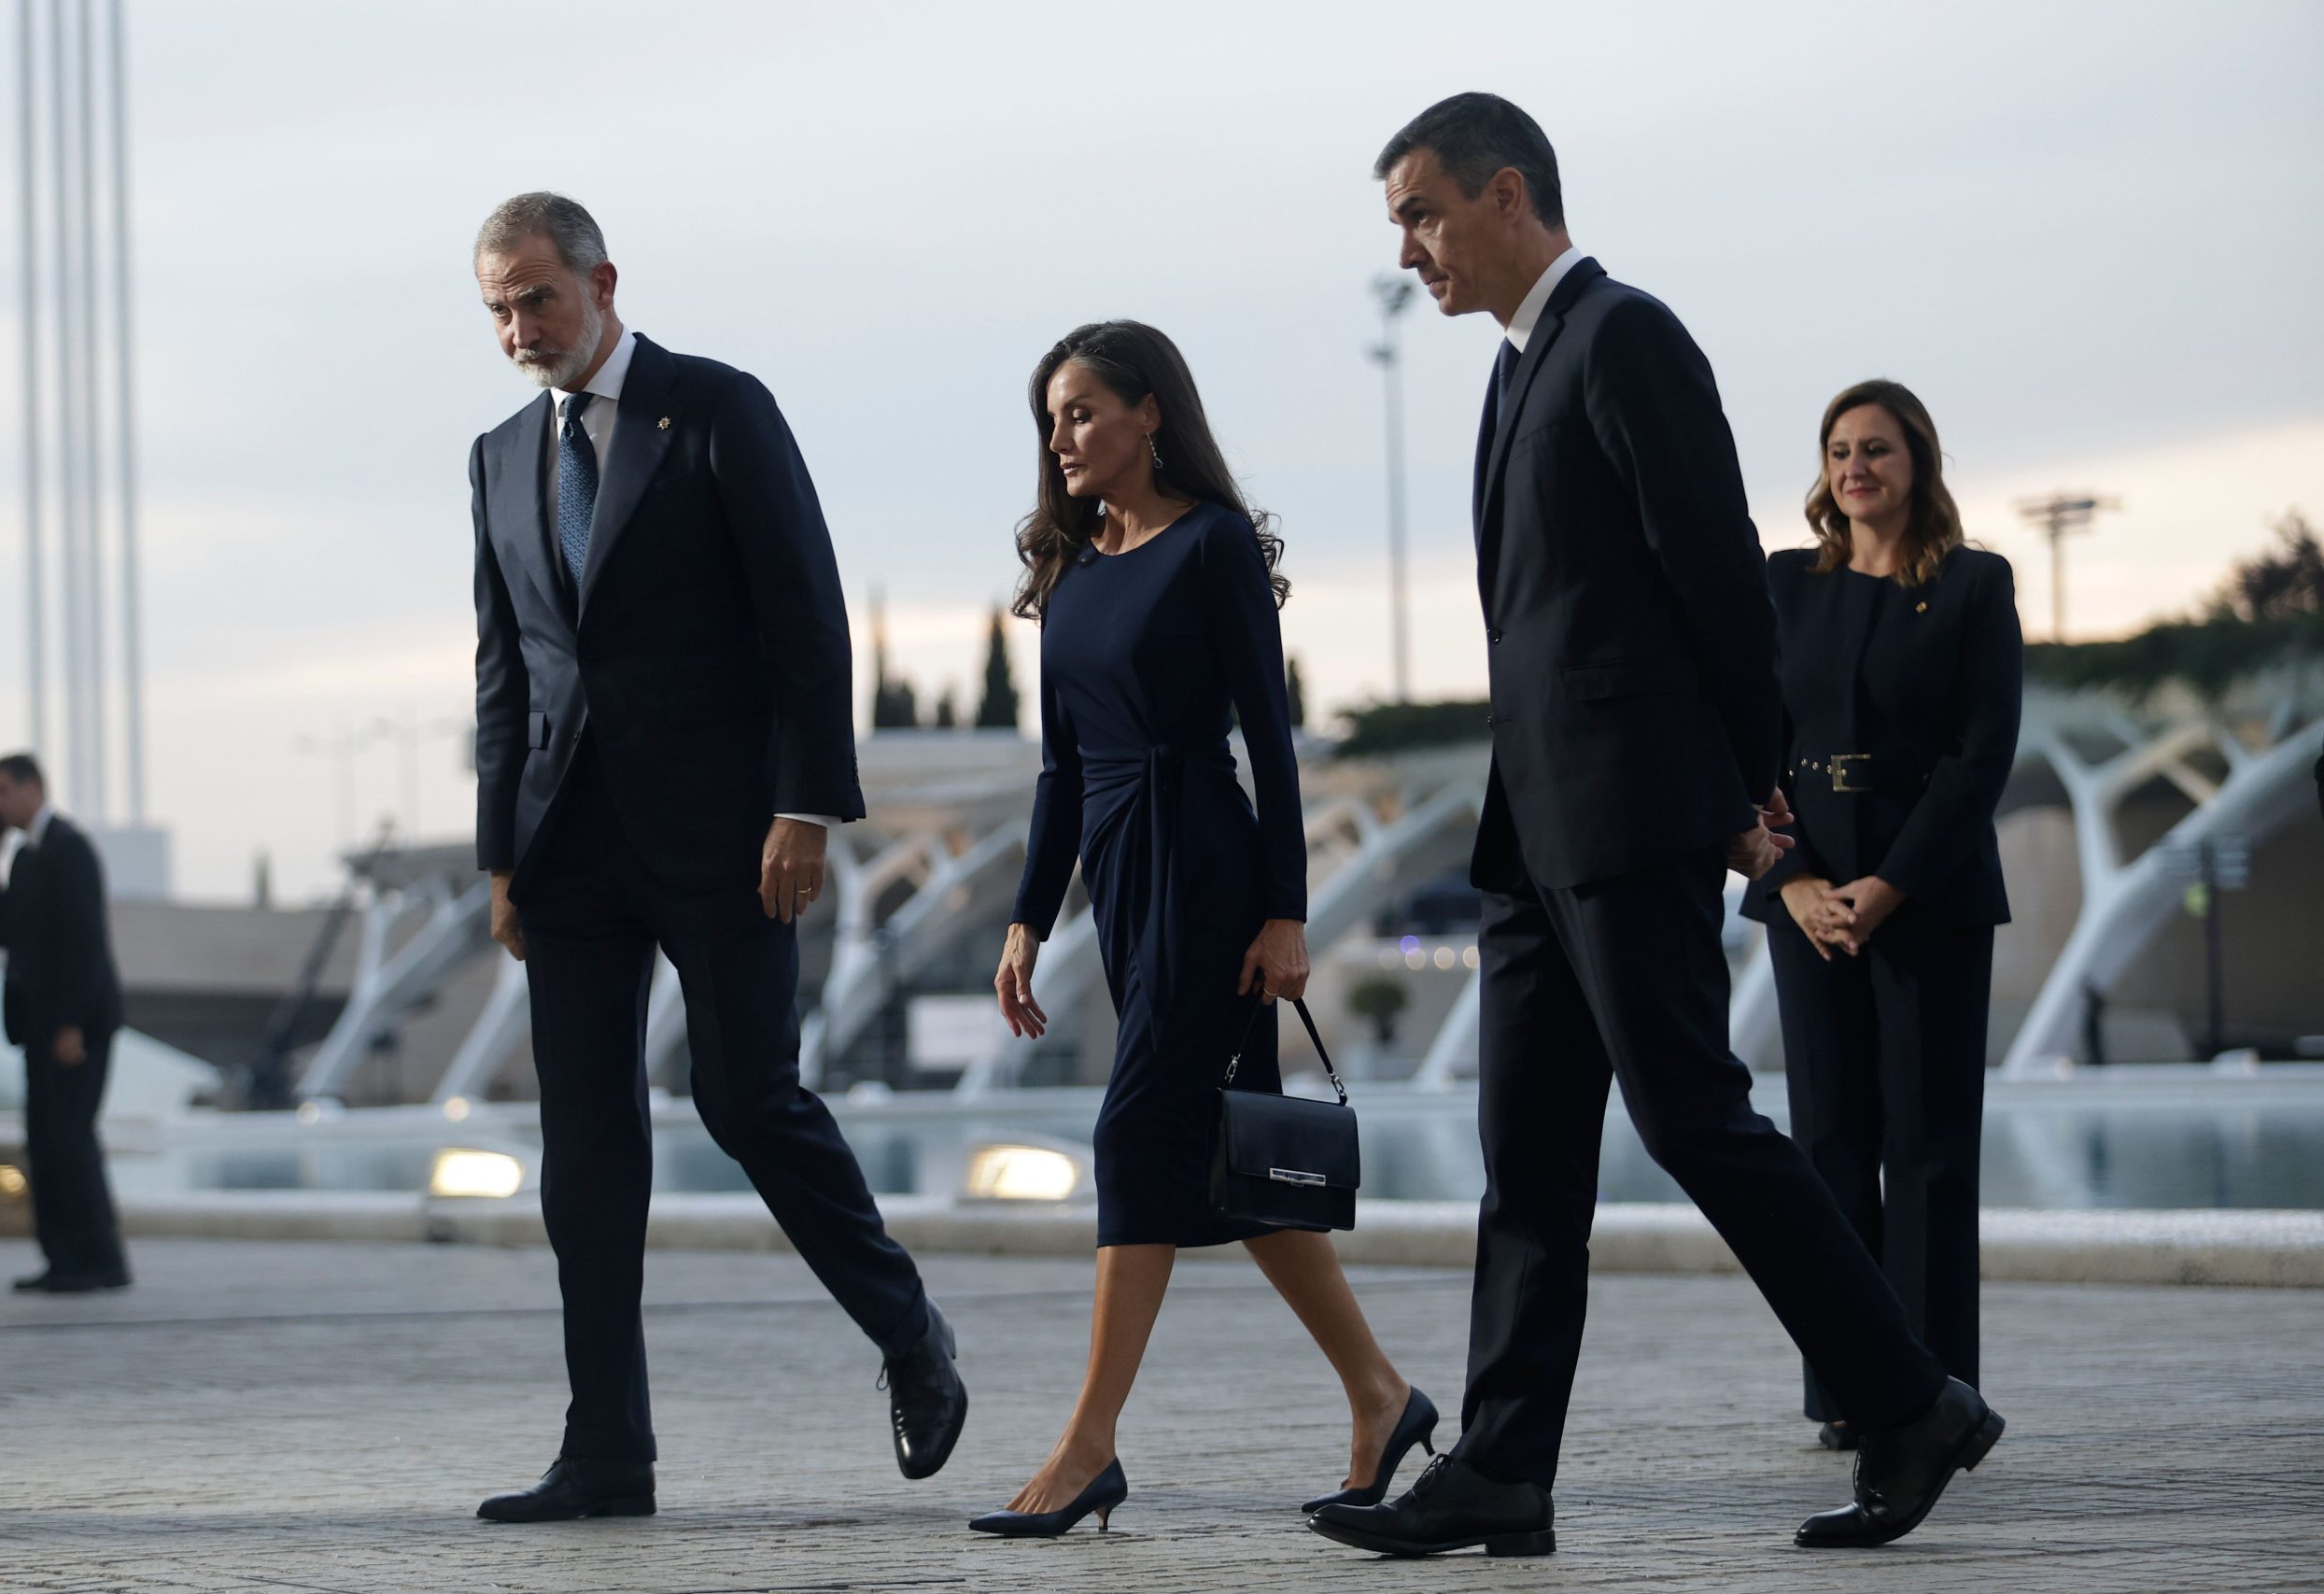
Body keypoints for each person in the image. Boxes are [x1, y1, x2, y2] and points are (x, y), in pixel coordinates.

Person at [1309, 95, 2003, 1559]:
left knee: (1695, 1118)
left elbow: (1720, 582)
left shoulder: (1624, 336)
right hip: (1535, 833)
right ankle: (1503, 1466)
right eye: (1400, 229)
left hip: (1631, 812)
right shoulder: (1515, 371)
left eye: (1425, 215)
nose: (1412, 251)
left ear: (1511, 196)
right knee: (1531, 1156)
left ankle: (1908, 1396)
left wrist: (1759, 789)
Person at [464, 192, 963, 1523]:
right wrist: (500, 852)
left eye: (538, 299)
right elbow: (506, 669)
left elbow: (806, 613)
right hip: (568, 848)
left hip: (730, 839)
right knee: (587, 1148)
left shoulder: (719, 408)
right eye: (500, 307)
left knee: (750, 1100)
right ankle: (607, 1449)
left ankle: (910, 1330)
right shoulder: (499, 454)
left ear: (602, 281)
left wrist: (805, 806)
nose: (520, 327)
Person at [976, 321, 1434, 1539]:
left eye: (1081, 411)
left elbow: (1269, 745)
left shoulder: (1214, 545)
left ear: (1150, 414)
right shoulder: (1072, 570)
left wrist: (1286, 909)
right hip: (1123, 874)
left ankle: (1088, 1447)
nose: (1062, 437)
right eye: (1052, 419)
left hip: (1208, 866)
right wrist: (1030, 916)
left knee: (1136, 1133)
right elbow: (1061, 772)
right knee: (1233, 1158)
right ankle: (1383, 1397)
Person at [1743, 381, 2022, 1450]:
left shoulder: (1971, 583)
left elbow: (1979, 753)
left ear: (1917, 464)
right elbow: (1750, 744)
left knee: (1929, 1149)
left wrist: (1890, 885)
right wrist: (1795, 881)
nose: (1857, 467)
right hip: (1807, 894)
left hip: (1930, 893)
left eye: (1878, 449)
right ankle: (1852, 1389)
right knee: (1827, 1144)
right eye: (1840, 450)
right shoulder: (1783, 586)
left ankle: (1936, 1391)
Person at [0, 753, 129, 1294]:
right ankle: (63, 1259)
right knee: (43, 1142)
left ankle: (101, 1260)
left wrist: (70, 1025)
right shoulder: (27, 858)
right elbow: (8, 936)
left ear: (32, 787)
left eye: (2, 791)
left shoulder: (70, 849)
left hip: (74, 1027)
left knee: (70, 1139)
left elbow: (84, 945)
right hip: (38, 1026)